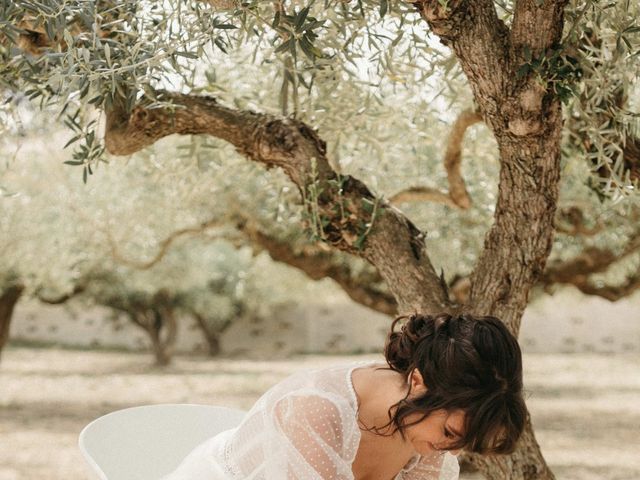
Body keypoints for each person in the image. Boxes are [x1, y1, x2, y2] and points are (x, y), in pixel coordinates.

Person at [161, 313, 526, 480]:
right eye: (450, 433)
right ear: (418, 382)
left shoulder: (423, 428)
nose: (453, 451)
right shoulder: (316, 410)